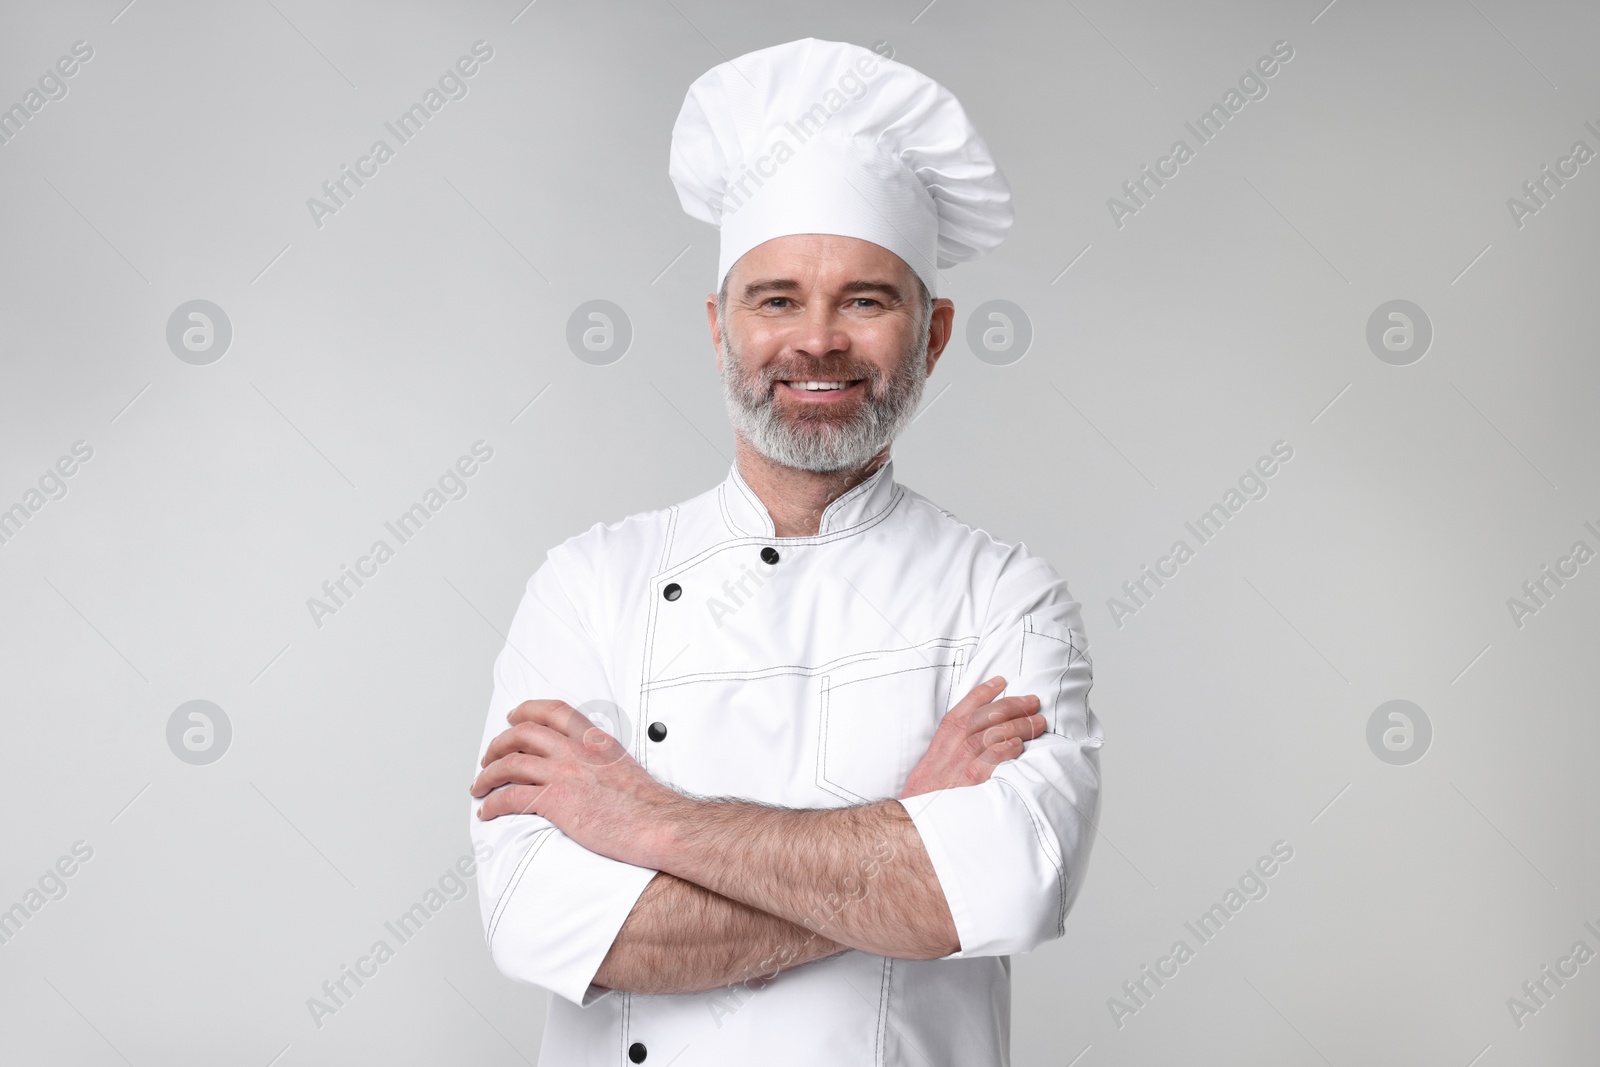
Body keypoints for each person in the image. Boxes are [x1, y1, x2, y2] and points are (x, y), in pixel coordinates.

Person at [468, 37, 1102, 1066]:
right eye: (775, 299)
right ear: (719, 326)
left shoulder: (1004, 595)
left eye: (864, 299)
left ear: (932, 334)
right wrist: (906, 833)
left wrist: (652, 823)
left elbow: (1008, 885)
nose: (816, 341)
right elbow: (543, 922)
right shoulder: (587, 585)